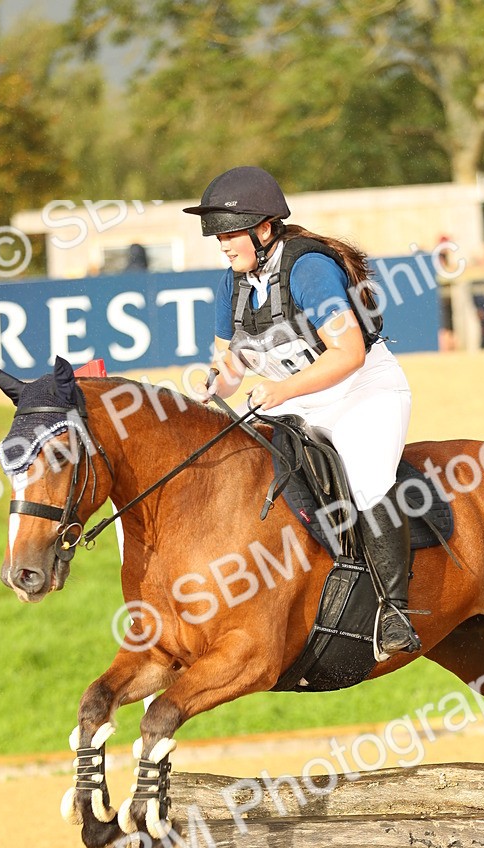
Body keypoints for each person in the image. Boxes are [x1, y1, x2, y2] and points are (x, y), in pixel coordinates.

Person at [183, 165, 420, 659]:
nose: (223, 245)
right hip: (297, 399)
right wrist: (218, 381)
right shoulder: (233, 283)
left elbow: (349, 353)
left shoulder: (309, 270)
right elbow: (228, 363)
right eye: (218, 236)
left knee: (367, 479)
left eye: (230, 234)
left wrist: (283, 389)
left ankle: (395, 611)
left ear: (264, 229)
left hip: (362, 392)